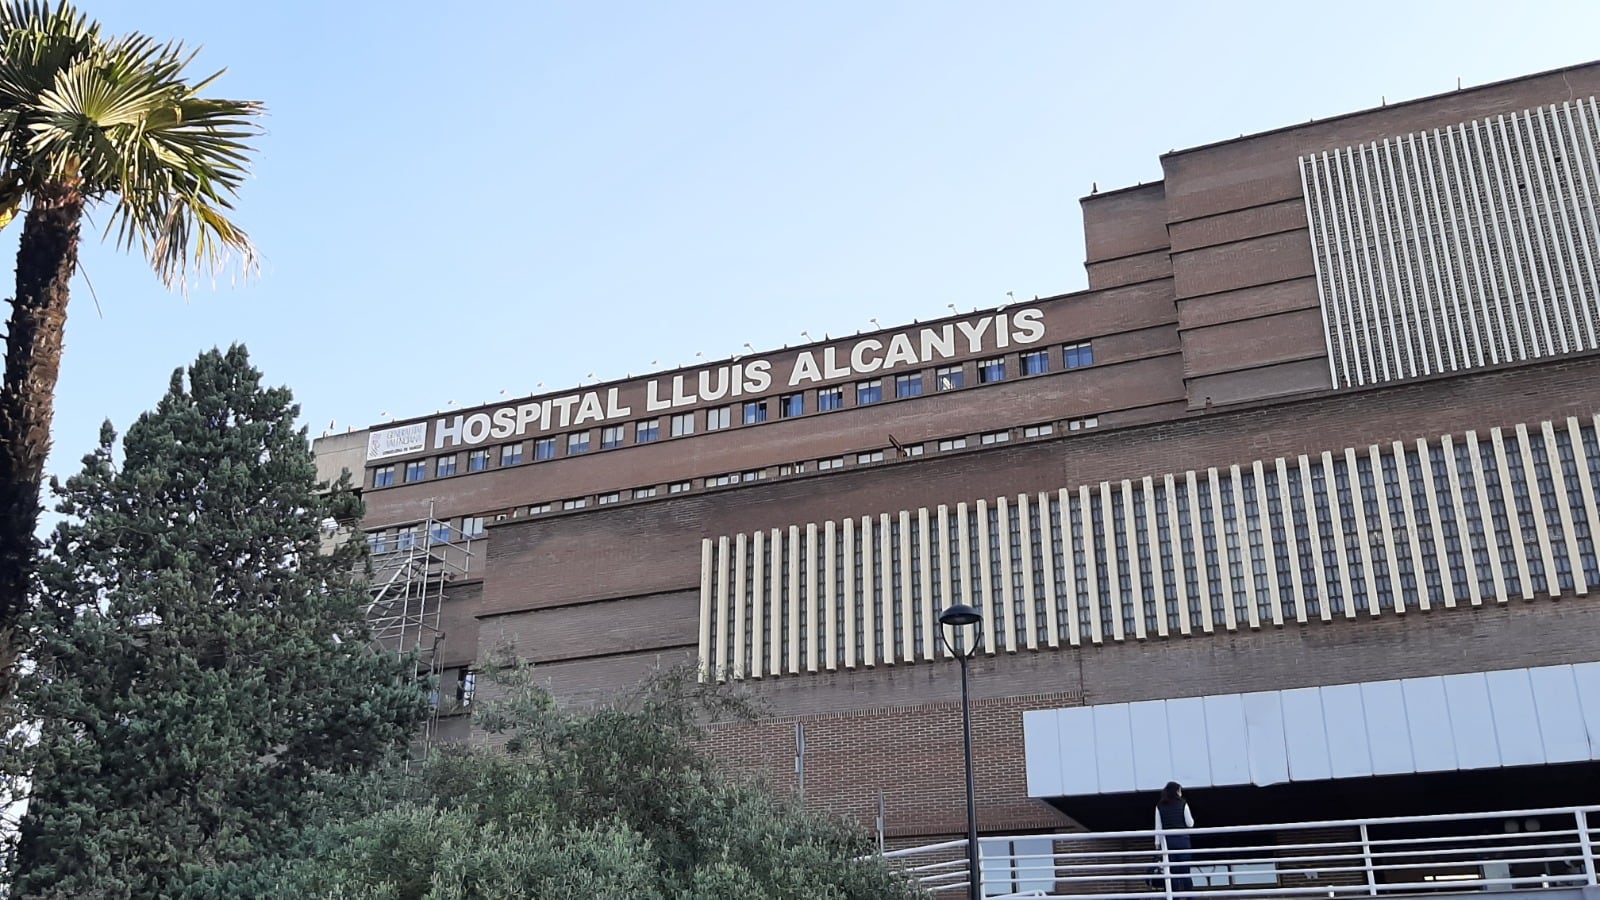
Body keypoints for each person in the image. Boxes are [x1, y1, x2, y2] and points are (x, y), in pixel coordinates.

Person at [1154, 781, 1194, 896]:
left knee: (1172, 874)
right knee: (1186, 872)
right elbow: (1190, 823)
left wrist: (1157, 844)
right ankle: (1189, 897)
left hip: (1168, 843)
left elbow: (1158, 827)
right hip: (1183, 842)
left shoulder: (1159, 806)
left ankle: (1174, 897)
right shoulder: (1183, 803)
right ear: (1177, 791)